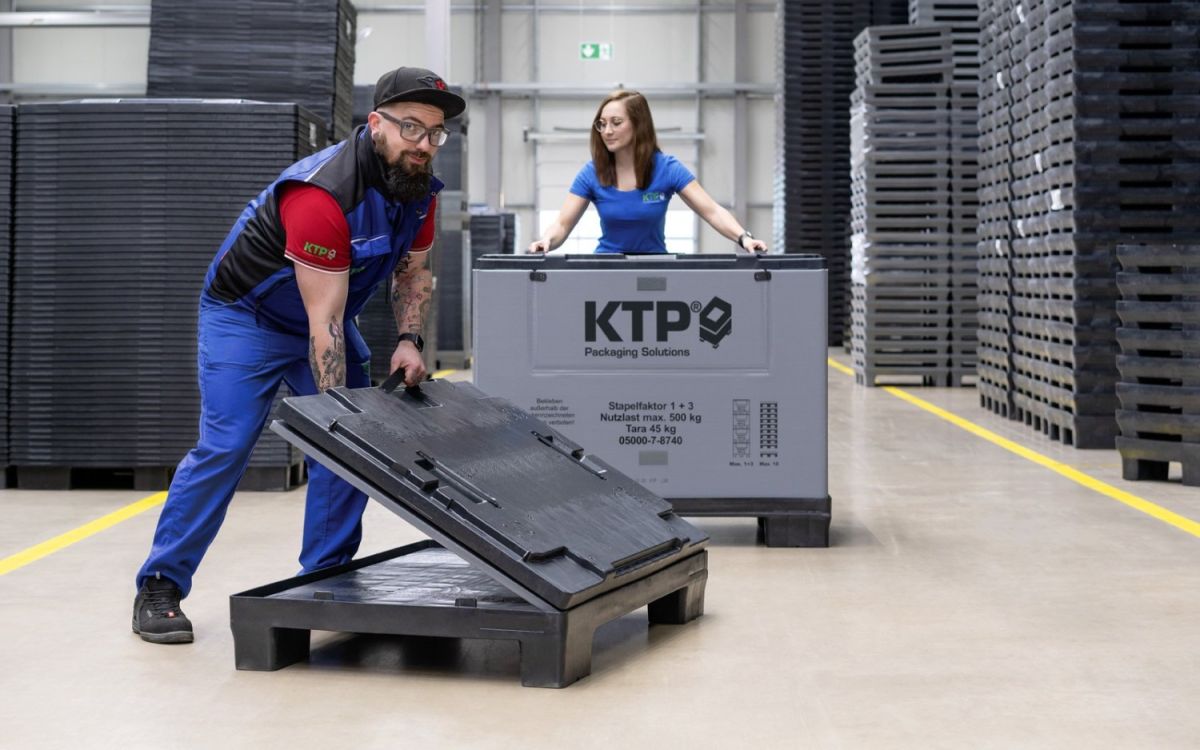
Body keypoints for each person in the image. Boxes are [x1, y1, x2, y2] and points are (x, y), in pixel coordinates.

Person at [132, 67, 466, 644]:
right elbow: (326, 322)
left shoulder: (418, 189)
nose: (424, 144)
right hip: (249, 319)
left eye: (435, 133)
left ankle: (325, 580)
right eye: (411, 127)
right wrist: (337, 415)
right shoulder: (322, 193)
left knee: (351, 449)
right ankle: (160, 584)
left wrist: (409, 341)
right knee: (228, 446)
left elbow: (414, 274)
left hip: (322, 317)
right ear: (376, 124)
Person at [528, 90, 768, 255]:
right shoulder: (591, 173)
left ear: (638, 124)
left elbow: (712, 211)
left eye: (616, 122)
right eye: (602, 123)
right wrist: (546, 241)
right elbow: (562, 224)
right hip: (604, 270)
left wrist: (744, 237)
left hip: (655, 270)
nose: (607, 131)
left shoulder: (668, 169)